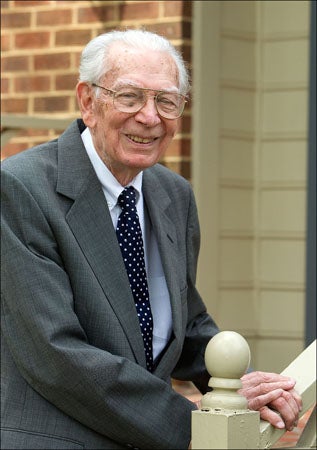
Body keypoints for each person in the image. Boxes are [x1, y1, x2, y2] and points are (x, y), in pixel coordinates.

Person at [1, 29, 301, 450]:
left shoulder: (173, 194)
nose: (150, 116)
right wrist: (194, 422)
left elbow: (184, 321)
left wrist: (238, 387)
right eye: (129, 97)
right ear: (88, 101)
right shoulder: (21, 188)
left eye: (166, 101)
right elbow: (55, 354)